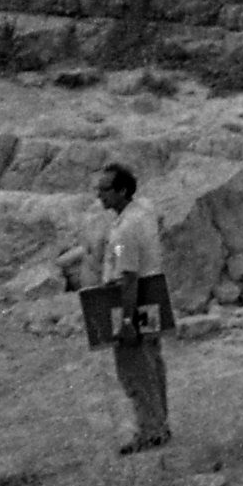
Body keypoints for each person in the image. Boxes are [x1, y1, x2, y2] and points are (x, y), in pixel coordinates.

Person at [68, 163, 174, 451]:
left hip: (132, 302)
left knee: (135, 370)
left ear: (122, 191)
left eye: (105, 190)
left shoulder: (124, 232)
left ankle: (150, 432)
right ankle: (158, 424)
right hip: (151, 296)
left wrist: (127, 322)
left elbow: (128, 278)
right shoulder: (143, 212)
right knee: (152, 364)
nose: (99, 196)